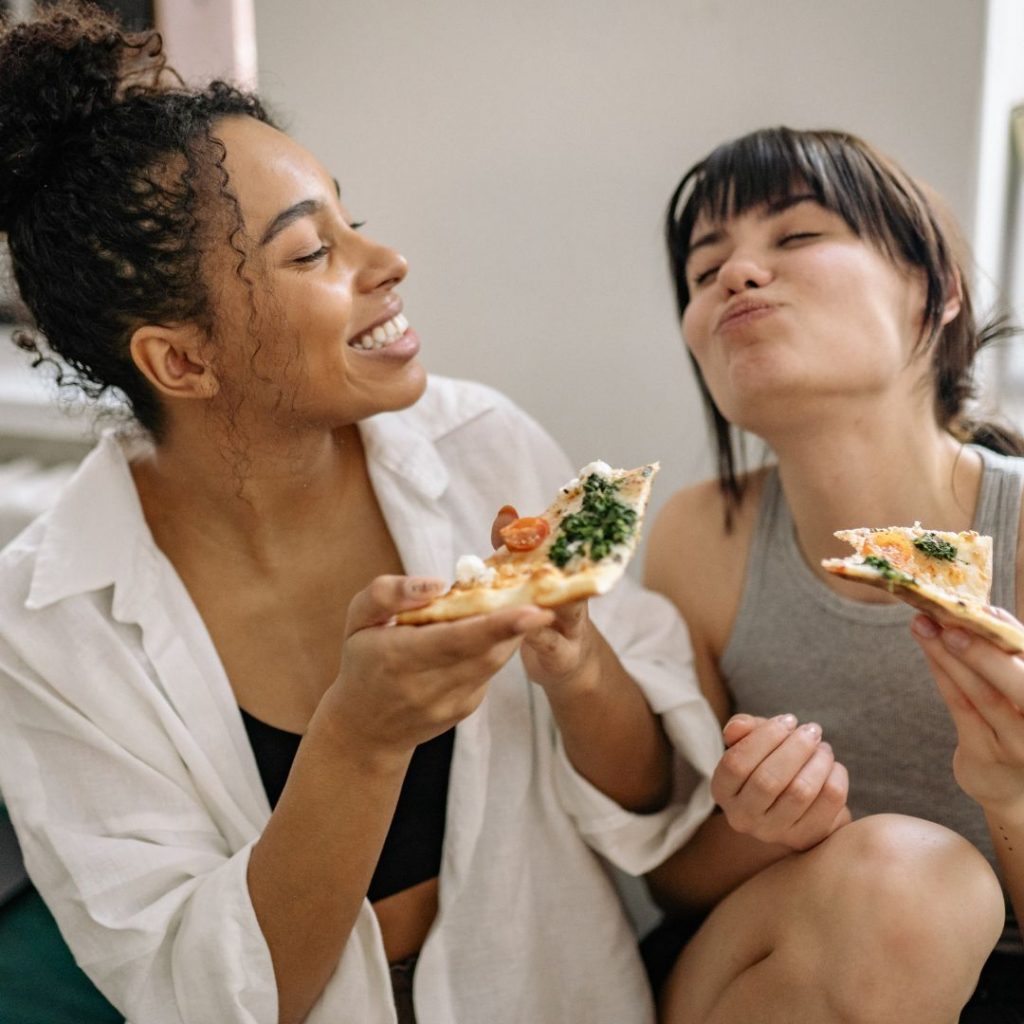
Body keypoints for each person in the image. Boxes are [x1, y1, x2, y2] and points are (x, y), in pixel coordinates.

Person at [0, 5, 724, 1023]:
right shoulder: (44, 620)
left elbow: (656, 803)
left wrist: (573, 659)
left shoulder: (483, 447)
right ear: (181, 360)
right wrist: (362, 738)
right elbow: (202, 994)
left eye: (353, 217)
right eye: (310, 254)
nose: (386, 264)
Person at [642, 126, 1024, 1023]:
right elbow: (671, 881)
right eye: (705, 271)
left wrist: (1009, 794)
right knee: (908, 883)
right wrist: (765, 831)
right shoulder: (701, 537)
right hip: (771, 956)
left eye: (796, 236)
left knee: (924, 888)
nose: (736, 275)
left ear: (934, 292)